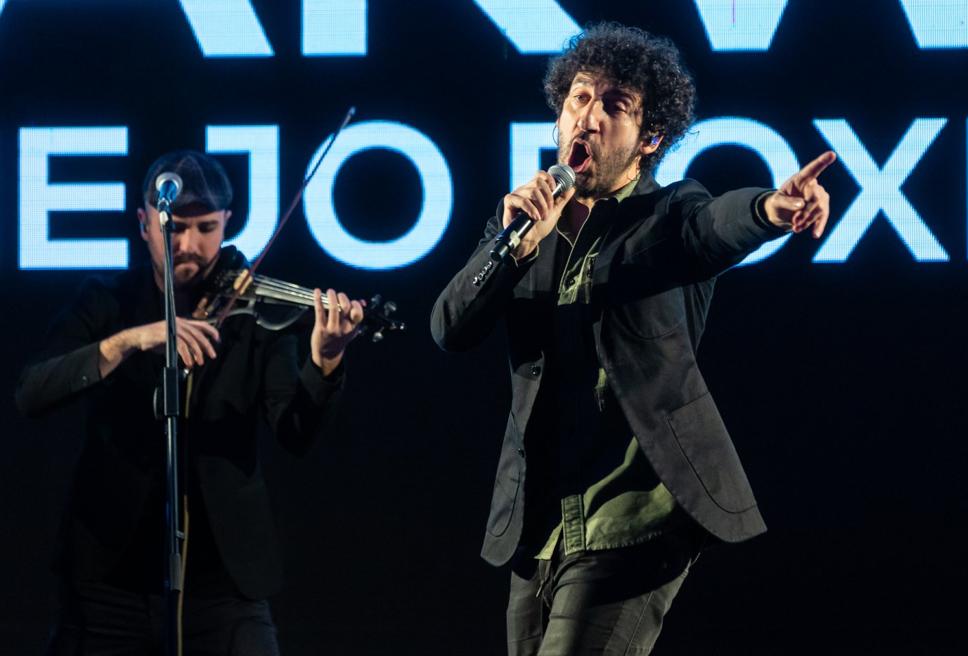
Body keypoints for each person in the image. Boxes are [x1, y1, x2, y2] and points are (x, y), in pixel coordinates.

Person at [431, 23, 835, 655]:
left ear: (649, 139)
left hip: (634, 517)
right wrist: (511, 248)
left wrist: (768, 211)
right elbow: (450, 328)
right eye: (579, 99)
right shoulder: (521, 228)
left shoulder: (668, 215)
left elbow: (717, 226)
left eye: (614, 106)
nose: (589, 119)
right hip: (539, 527)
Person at [16, 150, 364, 655]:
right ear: (144, 224)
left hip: (222, 586)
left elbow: (295, 431)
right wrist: (128, 342)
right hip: (108, 582)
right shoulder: (106, 301)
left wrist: (325, 362)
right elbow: (32, 392)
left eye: (206, 228)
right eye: (174, 228)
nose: (190, 245)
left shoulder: (253, 314)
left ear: (227, 223)